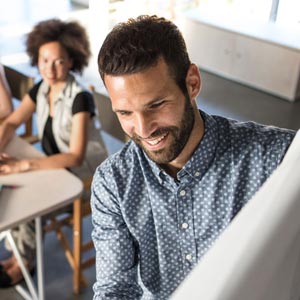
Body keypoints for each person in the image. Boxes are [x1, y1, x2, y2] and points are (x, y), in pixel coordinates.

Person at [91, 15, 296, 299]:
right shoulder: (113, 182)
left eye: (157, 104)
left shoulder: (275, 158)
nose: (143, 129)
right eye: (125, 113)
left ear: (192, 83)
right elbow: (115, 289)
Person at [0, 18, 107, 287]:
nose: (50, 68)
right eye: (44, 60)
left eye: (59, 61)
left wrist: (24, 166)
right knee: (11, 189)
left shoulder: (80, 98)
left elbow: (75, 157)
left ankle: (23, 264)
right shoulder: (41, 87)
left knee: (25, 201)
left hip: (84, 178)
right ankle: (18, 255)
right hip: (55, 167)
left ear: (72, 61)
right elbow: (12, 122)